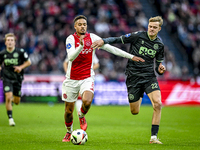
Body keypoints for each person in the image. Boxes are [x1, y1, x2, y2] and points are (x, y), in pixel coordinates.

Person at [62, 15, 144, 142]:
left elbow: (111, 49)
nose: (82, 26)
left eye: (84, 24)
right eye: (80, 24)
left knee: (87, 101)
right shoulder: (70, 39)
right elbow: (71, 57)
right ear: (75, 26)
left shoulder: (93, 38)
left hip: (87, 77)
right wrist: (80, 46)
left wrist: (131, 57)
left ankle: (81, 115)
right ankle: (68, 132)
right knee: (68, 111)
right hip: (71, 79)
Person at [92, 16, 166, 144]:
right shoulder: (138, 36)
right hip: (133, 77)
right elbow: (118, 39)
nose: (152, 29)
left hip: (149, 77)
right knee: (134, 111)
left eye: (155, 27)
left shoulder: (159, 45)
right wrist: (103, 41)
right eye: (150, 27)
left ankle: (154, 137)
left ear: (159, 29)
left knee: (158, 104)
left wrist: (160, 68)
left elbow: (158, 66)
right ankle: (140, 94)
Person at [0, 33, 31, 126]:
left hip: (17, 78)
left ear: (14, 42)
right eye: (8, 40)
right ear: (5, 42)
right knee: (8, 97)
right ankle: (10, 119)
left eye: (11, 40)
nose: (9, 42)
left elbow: (29, 62)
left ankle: (12, 101)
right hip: (6, 78)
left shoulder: (20, 52)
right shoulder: (2, 54)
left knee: (17, 101)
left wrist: (20, 67)